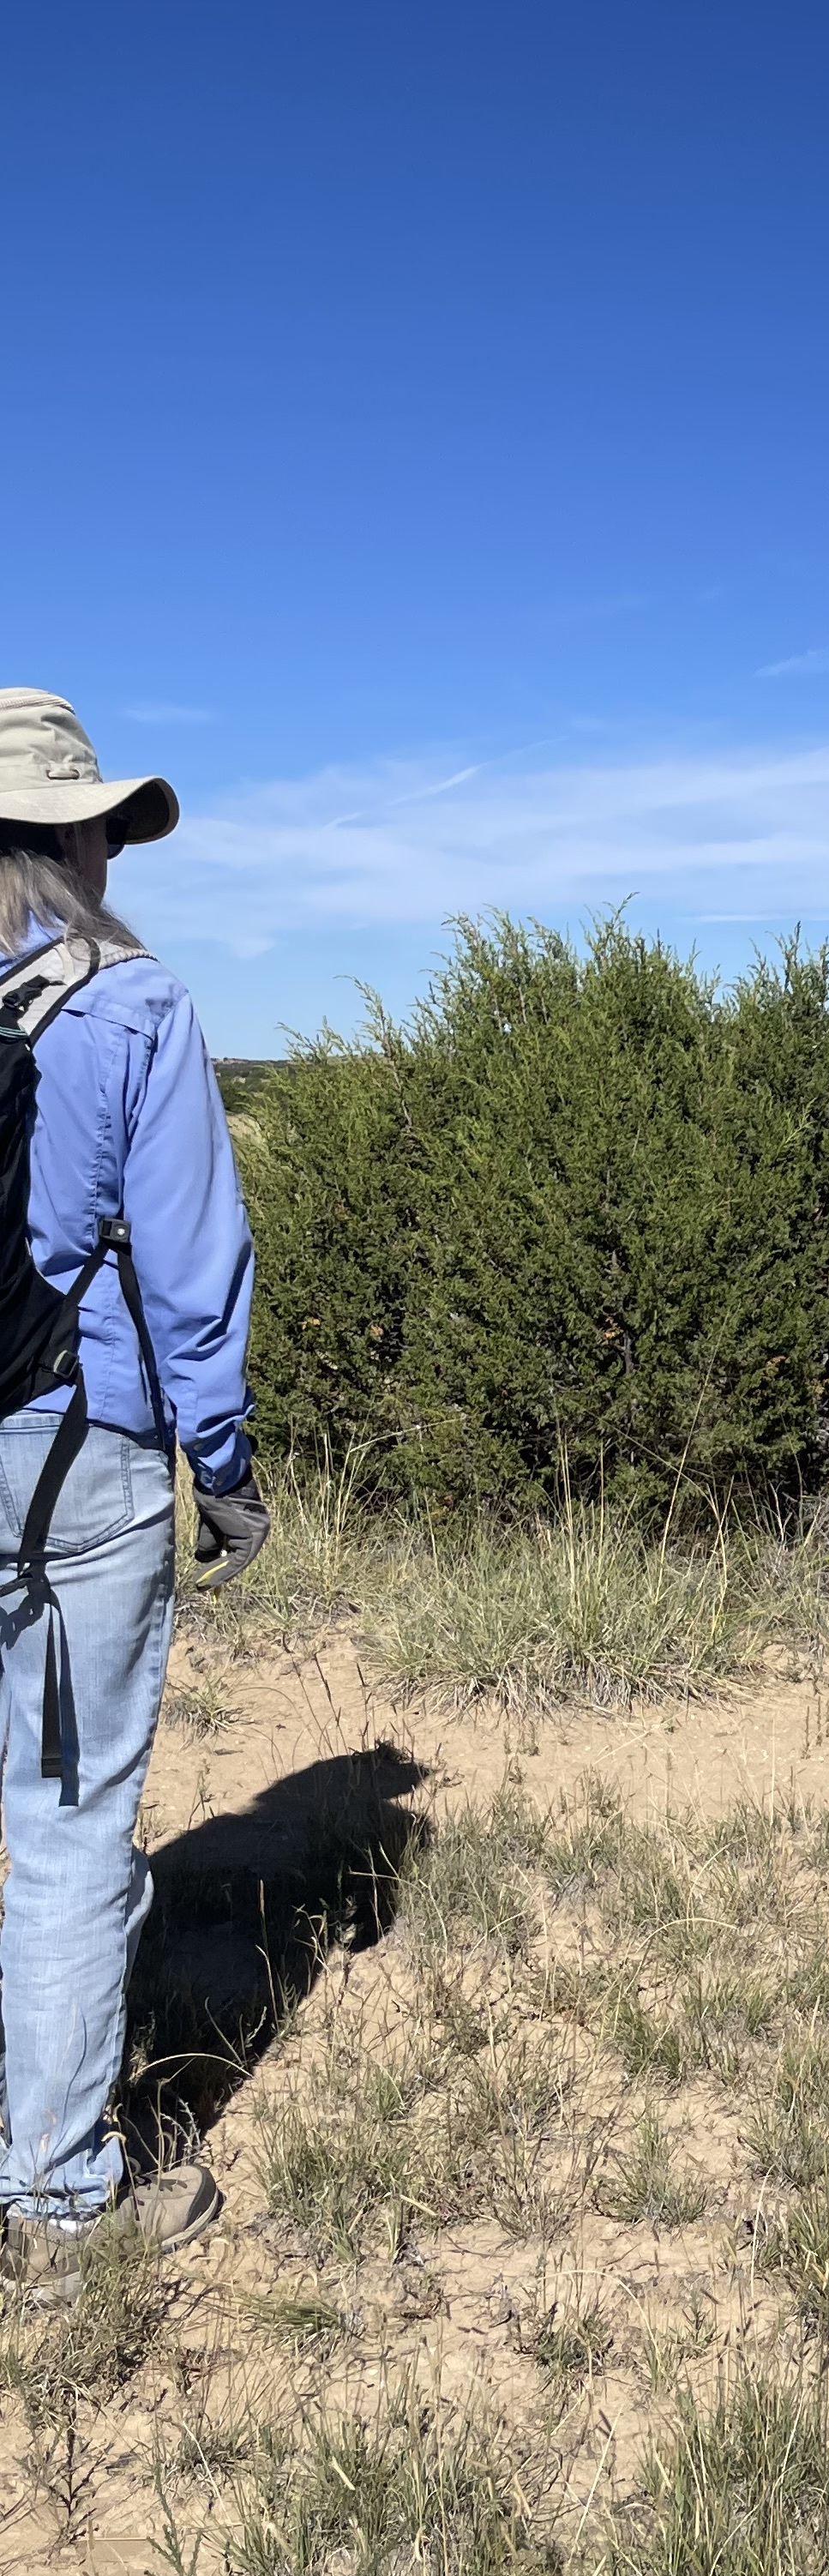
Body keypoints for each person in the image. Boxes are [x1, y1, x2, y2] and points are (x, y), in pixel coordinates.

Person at [0, 689, 266, 2305]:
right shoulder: (133, 1004)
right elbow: (188, 1267)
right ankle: (52, 2186)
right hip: (68, 1453)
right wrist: (221, 1466)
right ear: (87, 830)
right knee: (70, 1815)